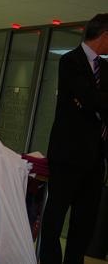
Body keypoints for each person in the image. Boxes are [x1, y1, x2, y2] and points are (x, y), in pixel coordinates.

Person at [39, 14, 108, 264]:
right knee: (55, 216)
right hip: (67, 154)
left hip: (96, 157)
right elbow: (89, 99)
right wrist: (92, 101)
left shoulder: (105, 68)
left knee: (84, 220)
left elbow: (90, 101)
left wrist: (91, 102)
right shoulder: (70, 61)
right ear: (105, 35)